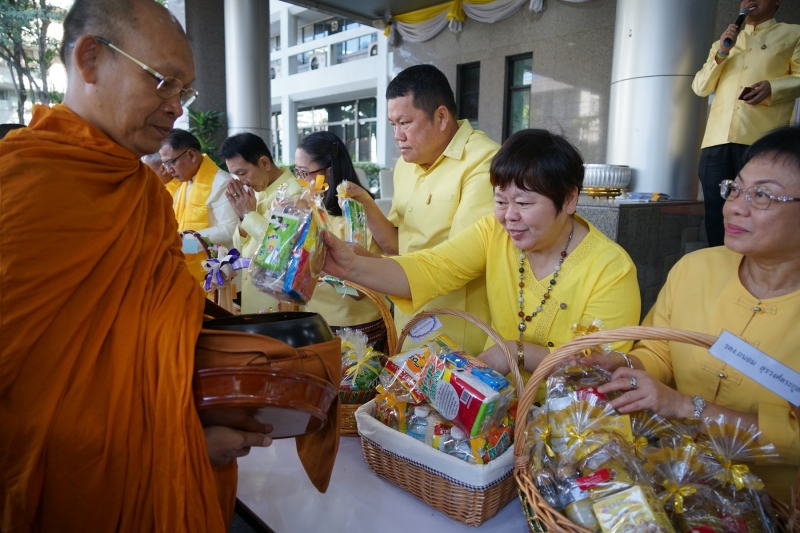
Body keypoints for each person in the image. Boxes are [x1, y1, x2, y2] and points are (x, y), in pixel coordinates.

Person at [0, 0, 270, 530]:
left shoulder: (144, 193)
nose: (177, 108)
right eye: (163, 82)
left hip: (154, 459)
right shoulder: (21, 186)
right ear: (90, 59)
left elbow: (158, 339)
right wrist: (179, 439)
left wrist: (194, 427)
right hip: (62, 487)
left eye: (184, 91)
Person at [323, 129, 641, 393]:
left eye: (524, 202)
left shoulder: (611, 269)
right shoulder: (495, 232)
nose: (510, 216)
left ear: (570, 199)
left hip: (573, 430)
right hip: (496, 407)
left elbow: (598, 370)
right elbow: (430, 268)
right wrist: (350, 266)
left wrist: (516, 353)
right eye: (501, 201)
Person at [582, 126, 800, 501]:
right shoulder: (696, 268)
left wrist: (687, 406)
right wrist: (621, 366)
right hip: (672, 480)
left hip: (775, 506)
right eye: (735, 188)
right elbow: (660, 351)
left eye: (761, 195)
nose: (735, 206)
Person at [340, 64, 498, 355]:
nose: (397, 135)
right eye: (393, 125)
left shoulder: (483, 161)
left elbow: (461, 262)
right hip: (408, 319)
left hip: (456, 332)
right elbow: (397, 243)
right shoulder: (406, 165)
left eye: (405, 123)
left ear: (441, 117)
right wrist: (366, 203)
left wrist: (364, 267)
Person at [692, 0, 800, 247]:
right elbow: (700, 87)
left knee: (758, 209)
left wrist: (774, 87)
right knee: (716, 212)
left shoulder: (793, 34)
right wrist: (721, 52)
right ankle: (720, 266)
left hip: (760, 138)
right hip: (716, 140)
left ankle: (756, 267)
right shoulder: (724, 44)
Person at [296, 131, 389, 351]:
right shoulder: (309, 208)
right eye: (296, 171)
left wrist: (318, 265)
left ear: (329, 172)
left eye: (304, 172)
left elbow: (357, 291)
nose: (299, 180)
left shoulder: (356, 212)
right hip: (314, 319)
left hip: (354, 326)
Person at [221, 132, 294, 314]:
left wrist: (248, 214)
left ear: (264, 163)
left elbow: (280, 248)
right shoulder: (258, 191)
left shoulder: (294, 193)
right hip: (251, 294)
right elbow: (239, 247)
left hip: (275, 300)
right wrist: (242, 216)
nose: (241, 181)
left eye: (242, 173)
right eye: (235, 175)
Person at [160, 128, 238, 281]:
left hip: (219, 275)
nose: (169, 170)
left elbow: (230, 230)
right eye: (165, 164)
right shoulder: (182, 184)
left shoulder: (221, 183)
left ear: (190, 155)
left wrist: (182, 243)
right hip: (189, 264)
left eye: (171, 162)